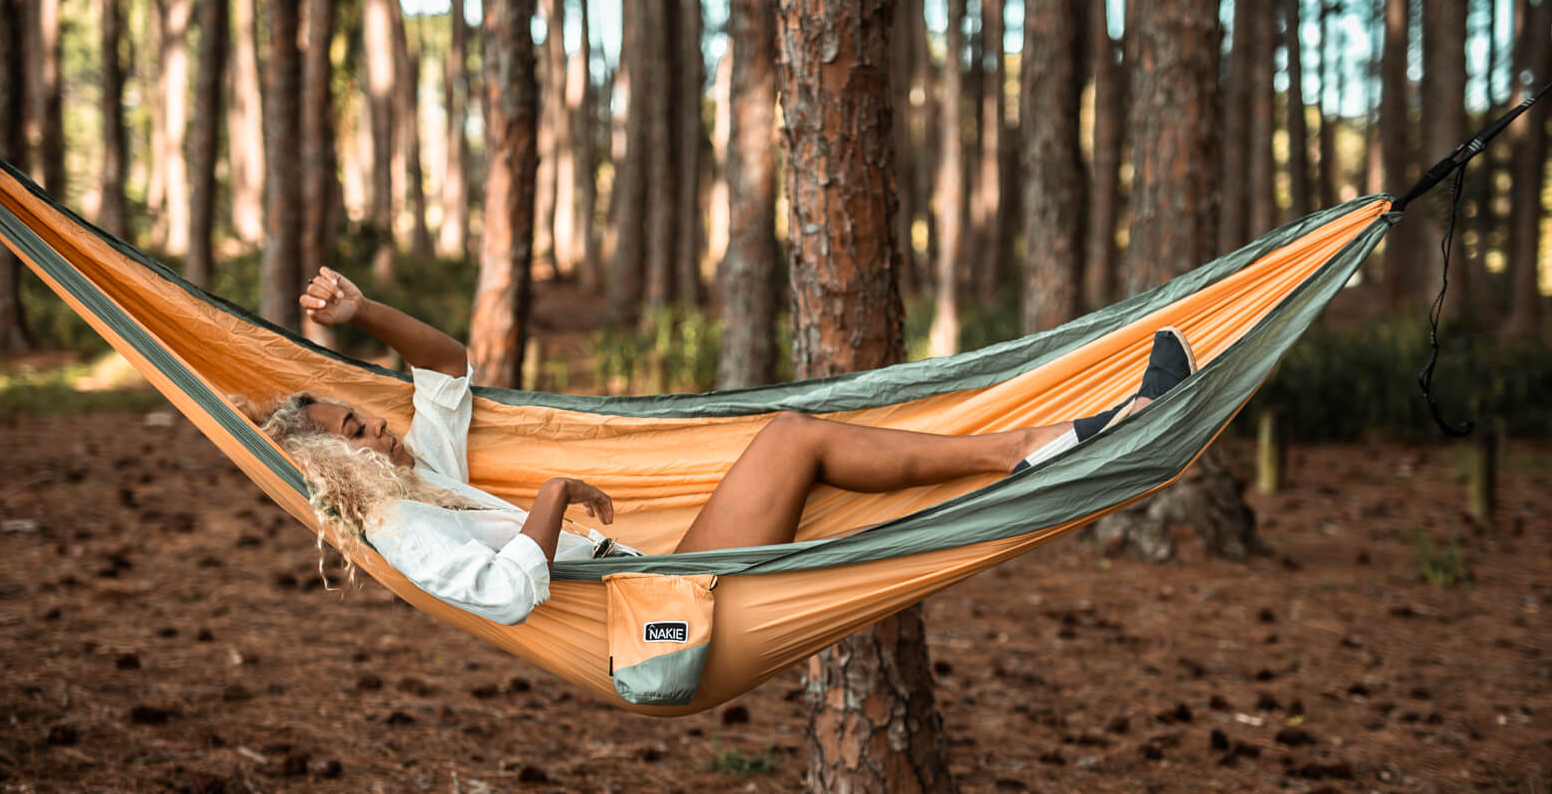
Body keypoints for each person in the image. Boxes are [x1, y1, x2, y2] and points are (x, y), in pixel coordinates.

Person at [257, 268, 1195, 627]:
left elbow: (447, 369)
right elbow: (504, 597)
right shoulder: (406, 532)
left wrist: (364, 312)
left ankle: (1035, 444)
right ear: (333, 463)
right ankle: (1030, 447)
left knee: (798, 440)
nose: (376, 424)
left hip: (663, 574)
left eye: (361, 412)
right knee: (792, 440)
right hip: (665, 614)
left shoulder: (430, 480)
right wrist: (553, 492)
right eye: (354, 428)